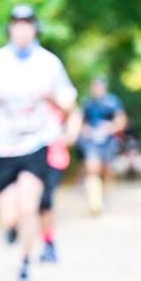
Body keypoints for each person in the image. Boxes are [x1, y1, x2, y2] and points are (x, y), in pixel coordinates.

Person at [0, 5, 77, 281]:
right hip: (3, 146)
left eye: (27, 24)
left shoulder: (49, 63)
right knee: (9, 216)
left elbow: (68, 104)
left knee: (30, 206)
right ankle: (12, 229)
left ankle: (24, 265)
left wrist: (51, 98)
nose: (22, 29)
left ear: (35, 29)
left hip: (36, 143)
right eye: (17, 24)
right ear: (10, 28)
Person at [39, 102, 82, 263]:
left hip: (53, 156)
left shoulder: (53, 89)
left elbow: (74, 111)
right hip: (21, 154)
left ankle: (48, 243)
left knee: (44, 202)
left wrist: (71, 135)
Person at [77, 76, 127, 214]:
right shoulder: (87, 103)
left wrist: (110, 127)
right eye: (94, 86)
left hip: (108, 141)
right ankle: (94, 200)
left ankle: (104, 196)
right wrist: (84, 130)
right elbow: (81, 122)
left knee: (107, 171)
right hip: (92, 141)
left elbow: (121, 120)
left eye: (98, 86)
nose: (96, 89)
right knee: (92, 168)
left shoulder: (113, 101)